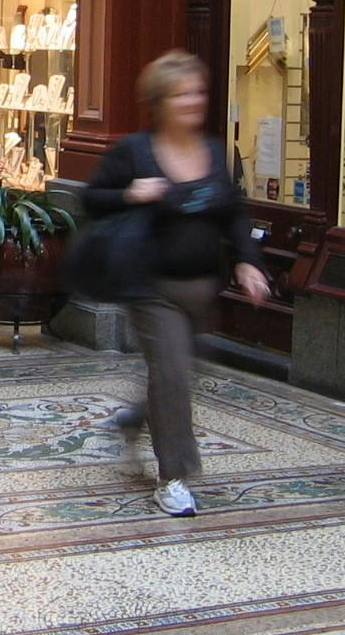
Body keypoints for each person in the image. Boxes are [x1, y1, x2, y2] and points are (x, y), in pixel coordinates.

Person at [84, 51, 271, 518]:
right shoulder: (136, 150)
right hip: (152, 288)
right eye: (182, 94)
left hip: (202, 289)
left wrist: (248, 263)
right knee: (170, 375)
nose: (193, 102)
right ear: (159, 101)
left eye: (198, 92)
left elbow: (234, 213)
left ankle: (134, 421)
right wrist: (130, 192)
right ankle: (174, 478)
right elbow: (90, 199)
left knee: (176, 377)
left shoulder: (212, 152)